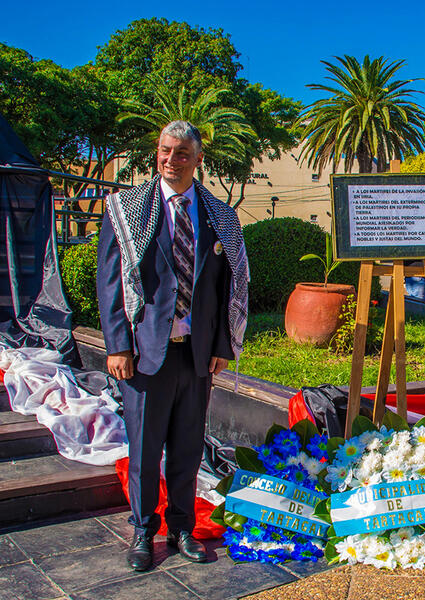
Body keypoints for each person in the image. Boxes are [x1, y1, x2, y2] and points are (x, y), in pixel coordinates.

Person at [97, 120, 249, 571]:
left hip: (197, 353)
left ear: (198, 159)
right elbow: (109, 283)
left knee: (187, 445)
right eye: (165, 150)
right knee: (144, 448)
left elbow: (228, 285)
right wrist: (118, 345)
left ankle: (181, 528)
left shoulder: (219, 215)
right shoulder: (126, 209)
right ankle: (144, 531)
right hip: (145, 353)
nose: (171, 159)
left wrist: (222, 343)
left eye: (182, 153)